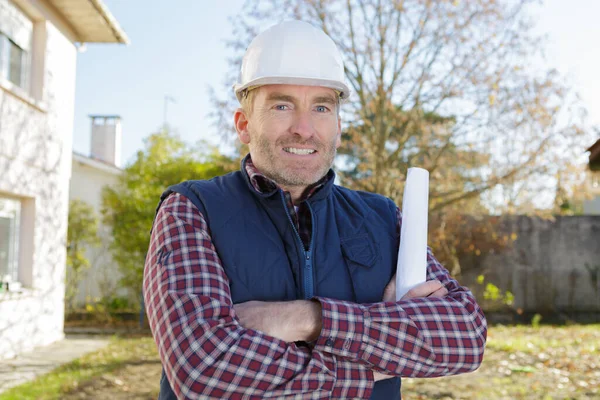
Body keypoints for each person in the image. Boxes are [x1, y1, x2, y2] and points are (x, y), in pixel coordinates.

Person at [143, 20, 487, 400]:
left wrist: (308, 319)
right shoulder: (193, 210)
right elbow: (203, 368)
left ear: (338, 127)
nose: (304, 129)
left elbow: (465, 336)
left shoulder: (383, 219)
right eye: (281, 105)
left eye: (321, 106)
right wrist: (376, 362)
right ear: (244, 125)